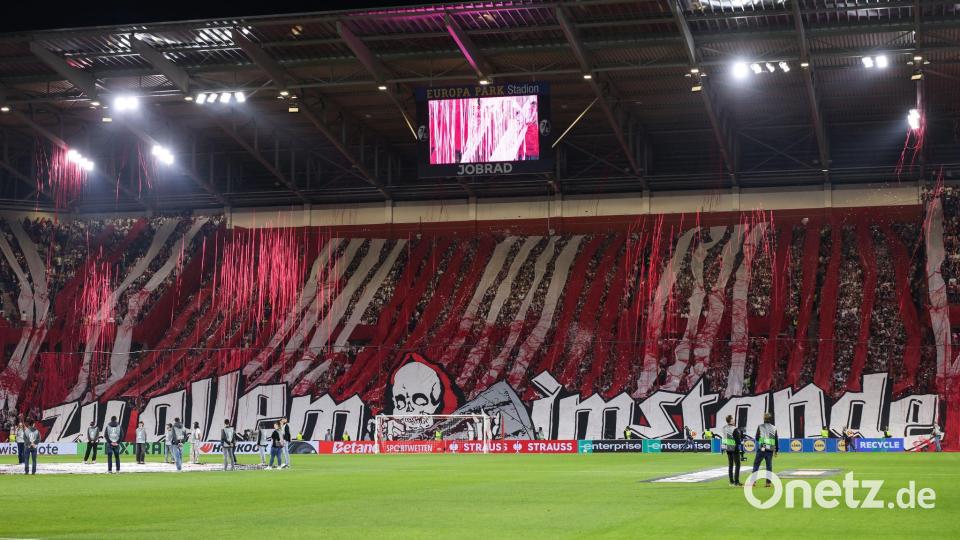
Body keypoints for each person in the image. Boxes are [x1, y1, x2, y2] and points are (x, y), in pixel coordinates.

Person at [752, 413, 778, 487]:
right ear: (770, 419)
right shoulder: (774, 427)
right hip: (770, 448)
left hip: (763, 447)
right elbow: (776, 439)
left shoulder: (760, 426)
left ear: (764, 419)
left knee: (756, 464)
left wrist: (762, 441)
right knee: (769, 466)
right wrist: (776, 450)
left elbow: (757, 437)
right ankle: (768, 483)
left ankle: (753, 482)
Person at [721, 415, 742, 486]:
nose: (734, 420)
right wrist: (740, 441)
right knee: (737, 465)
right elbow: (738, 441)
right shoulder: (734, 429)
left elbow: (724, 438)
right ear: (730, 420)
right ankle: (736, 482)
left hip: (727, 448)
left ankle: (731, 482)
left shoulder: (724, 428)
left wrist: (723, 448)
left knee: (730, 465)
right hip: (734, 448)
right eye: (733, 419)